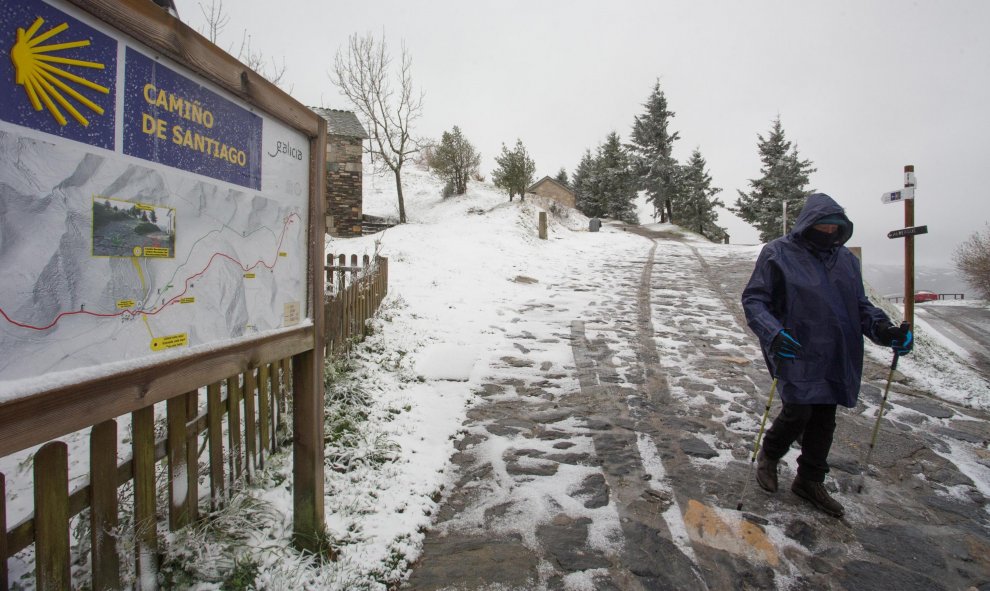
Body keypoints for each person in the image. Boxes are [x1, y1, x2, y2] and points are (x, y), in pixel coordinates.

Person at [740, 193, 913, 517]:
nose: (829, 232)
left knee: (824, 417)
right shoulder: (778, 253)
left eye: (835, 227)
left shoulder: (846, 260)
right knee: (799, 411)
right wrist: (772, 333)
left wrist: (885, 331)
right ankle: (770, 454)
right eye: (822, 226)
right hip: (795, 347)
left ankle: (809, 480)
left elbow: (860, 306)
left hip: (837, 350)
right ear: (808, 224)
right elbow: (755, 300)